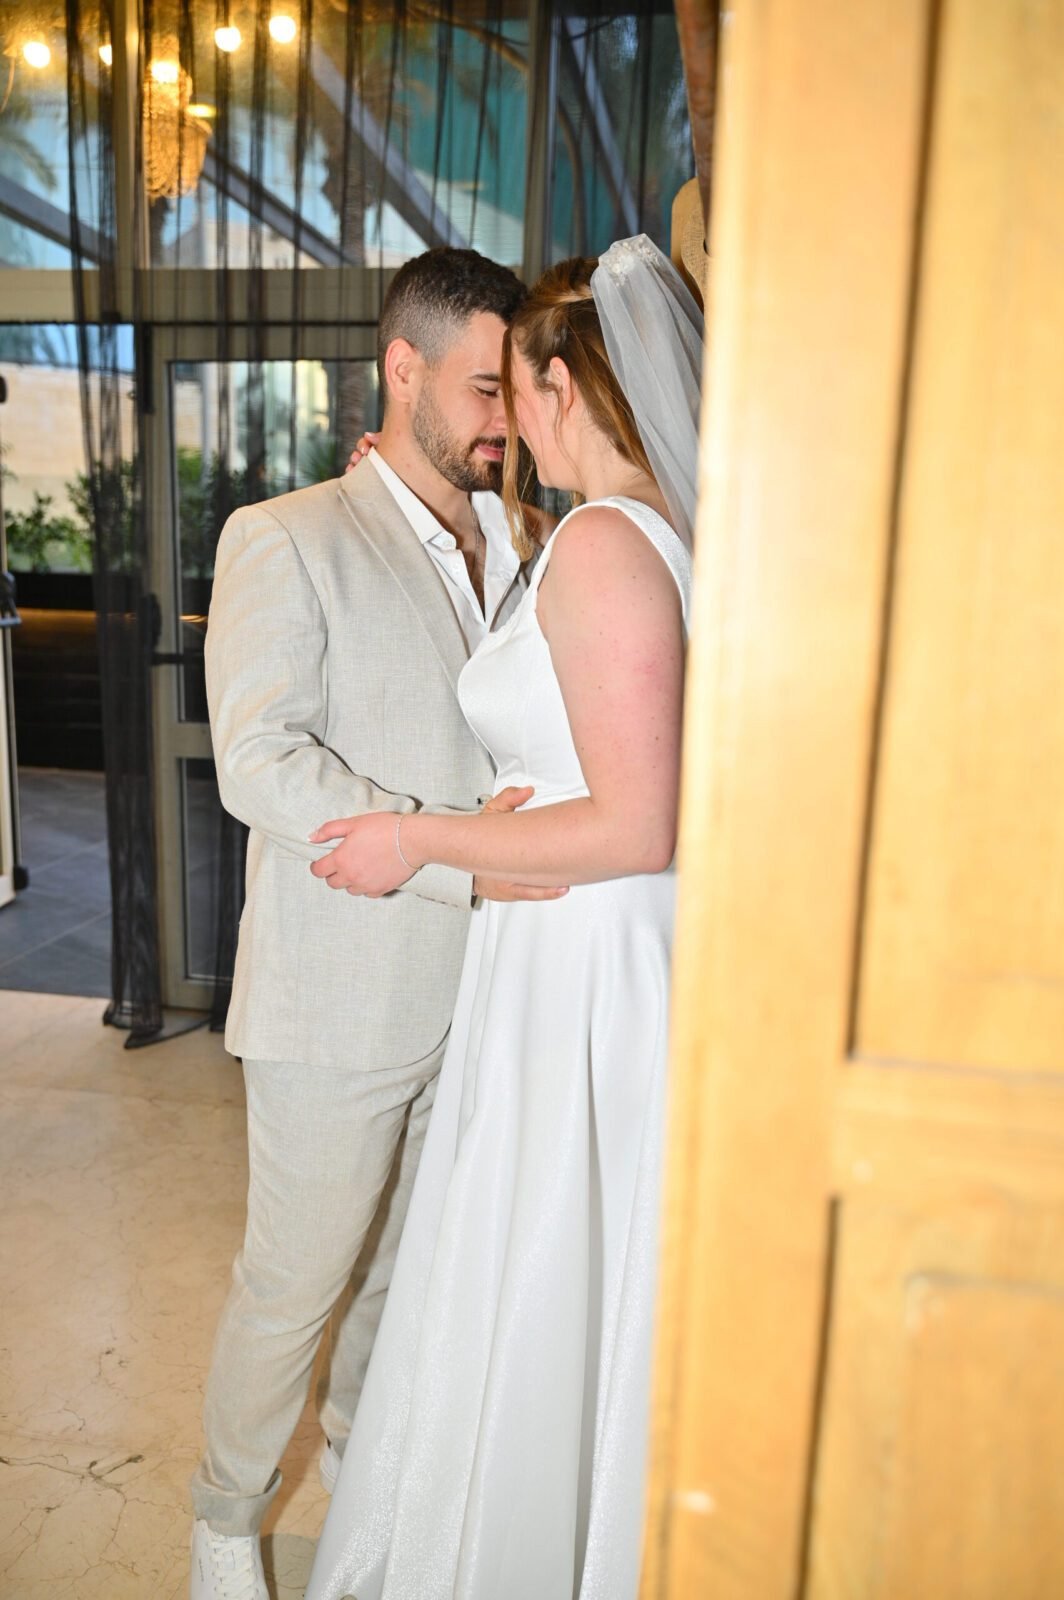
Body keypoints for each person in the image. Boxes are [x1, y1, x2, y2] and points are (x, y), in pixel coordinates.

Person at [303, 234, 704, 1600]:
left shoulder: (602, 545)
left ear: (561, 387)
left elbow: (637, 823)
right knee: (551, 1248)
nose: (508, 421)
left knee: (549, 1250)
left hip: (586, 949)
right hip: (579, 937)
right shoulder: (636, 534)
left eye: (514, 388)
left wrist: (418, 838)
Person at [191, 247, 566, 1600]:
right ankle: (223, 1523)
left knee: (410, 1271)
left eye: (515, 393)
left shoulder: (524, 540)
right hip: (338, 995)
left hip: (487, 992)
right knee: (294, 1284)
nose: (504, 420)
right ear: (402, 370)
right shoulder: (284, 535)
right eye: (483, 388)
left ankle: (360, 1472)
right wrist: (460, 855)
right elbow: (259, 762)